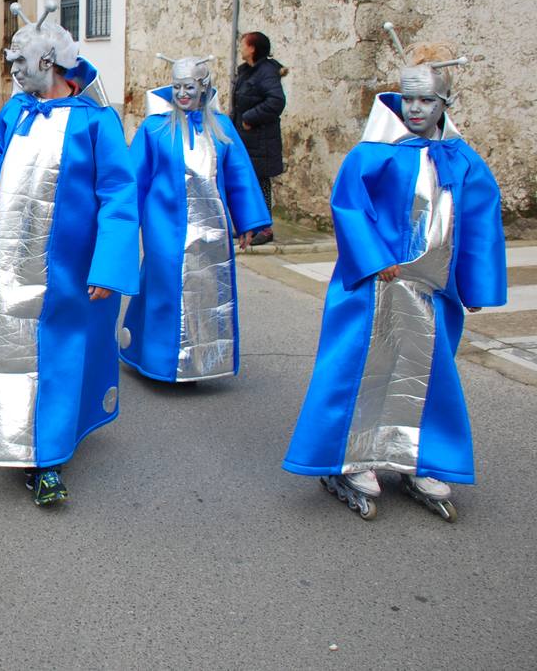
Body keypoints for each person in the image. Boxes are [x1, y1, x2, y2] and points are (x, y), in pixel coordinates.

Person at [283, 26, 505, 522]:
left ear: (445, 101)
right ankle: (352, 456)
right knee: (362, 367)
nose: (416, 109)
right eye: (408, 99)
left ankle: (420, 457)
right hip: (374, 288)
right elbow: (349, 207)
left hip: (433, 292)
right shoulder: (373, 154)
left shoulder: (463, 161)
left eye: (427, 100)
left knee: (429, 372)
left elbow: (480, 224)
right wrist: (374, 257)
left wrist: (475, 286)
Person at [0, 1, 139, 507]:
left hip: (68, 266)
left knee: (60, 352)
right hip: (11, 264)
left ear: (49, 62)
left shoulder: (97, 123)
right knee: (10, 346)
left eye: (19, 61)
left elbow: (118, 195)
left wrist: (109, 266)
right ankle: (12, 436)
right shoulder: (17, 111)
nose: (12, 70)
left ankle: (48, 456)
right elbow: (3, 159)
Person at [120, 55, 270, 384]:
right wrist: (123, 223)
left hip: (211, 226)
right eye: (177, 87)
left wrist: (248, 222)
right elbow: (134, 178)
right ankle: (158, 361)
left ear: (203, 87)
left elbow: (239, 175)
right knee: (166, 285)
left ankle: (200, 360)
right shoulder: (155, 128)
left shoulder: (223, 128)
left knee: (207, 289)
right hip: (165, 225)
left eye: (189, 87)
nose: (182, 94)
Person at [231, 31, 286, 246]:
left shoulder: (266, 72)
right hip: (246, 139)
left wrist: (250, 118)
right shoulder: (248, 71)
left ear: (252, 48)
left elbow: (276, 101)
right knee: (247, 182)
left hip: (261, 140)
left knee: (261, 182)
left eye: (243, 44)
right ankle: (249, 225)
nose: (240, 48)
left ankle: (265, 228)